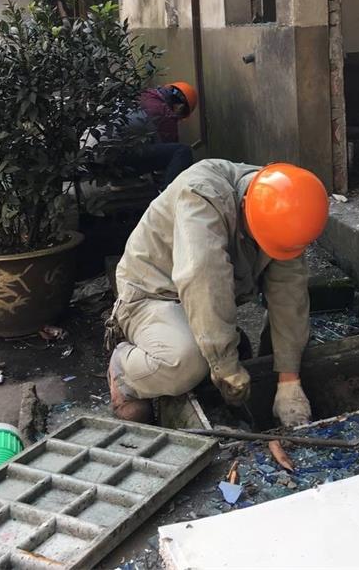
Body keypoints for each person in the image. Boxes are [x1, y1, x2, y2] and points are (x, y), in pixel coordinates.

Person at [106, 160, 329, 428]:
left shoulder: (284, 210)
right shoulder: (201, 198)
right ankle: (123, 370)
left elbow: (289, 295)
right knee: (186, 363)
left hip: (199, 294)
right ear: (245, 206)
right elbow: (205, 283)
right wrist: (225, 367)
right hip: (154, 294)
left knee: (264, 348)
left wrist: (288, 380)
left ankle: (207, 347)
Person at [123, 82, 198, 190]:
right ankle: (168, 194)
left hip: (103, 156)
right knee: (182, 151)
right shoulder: (164, 114)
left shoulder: (146, 95)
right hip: (117, 159)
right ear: (180, 107)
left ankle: (121, 181)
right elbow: (168, 156)